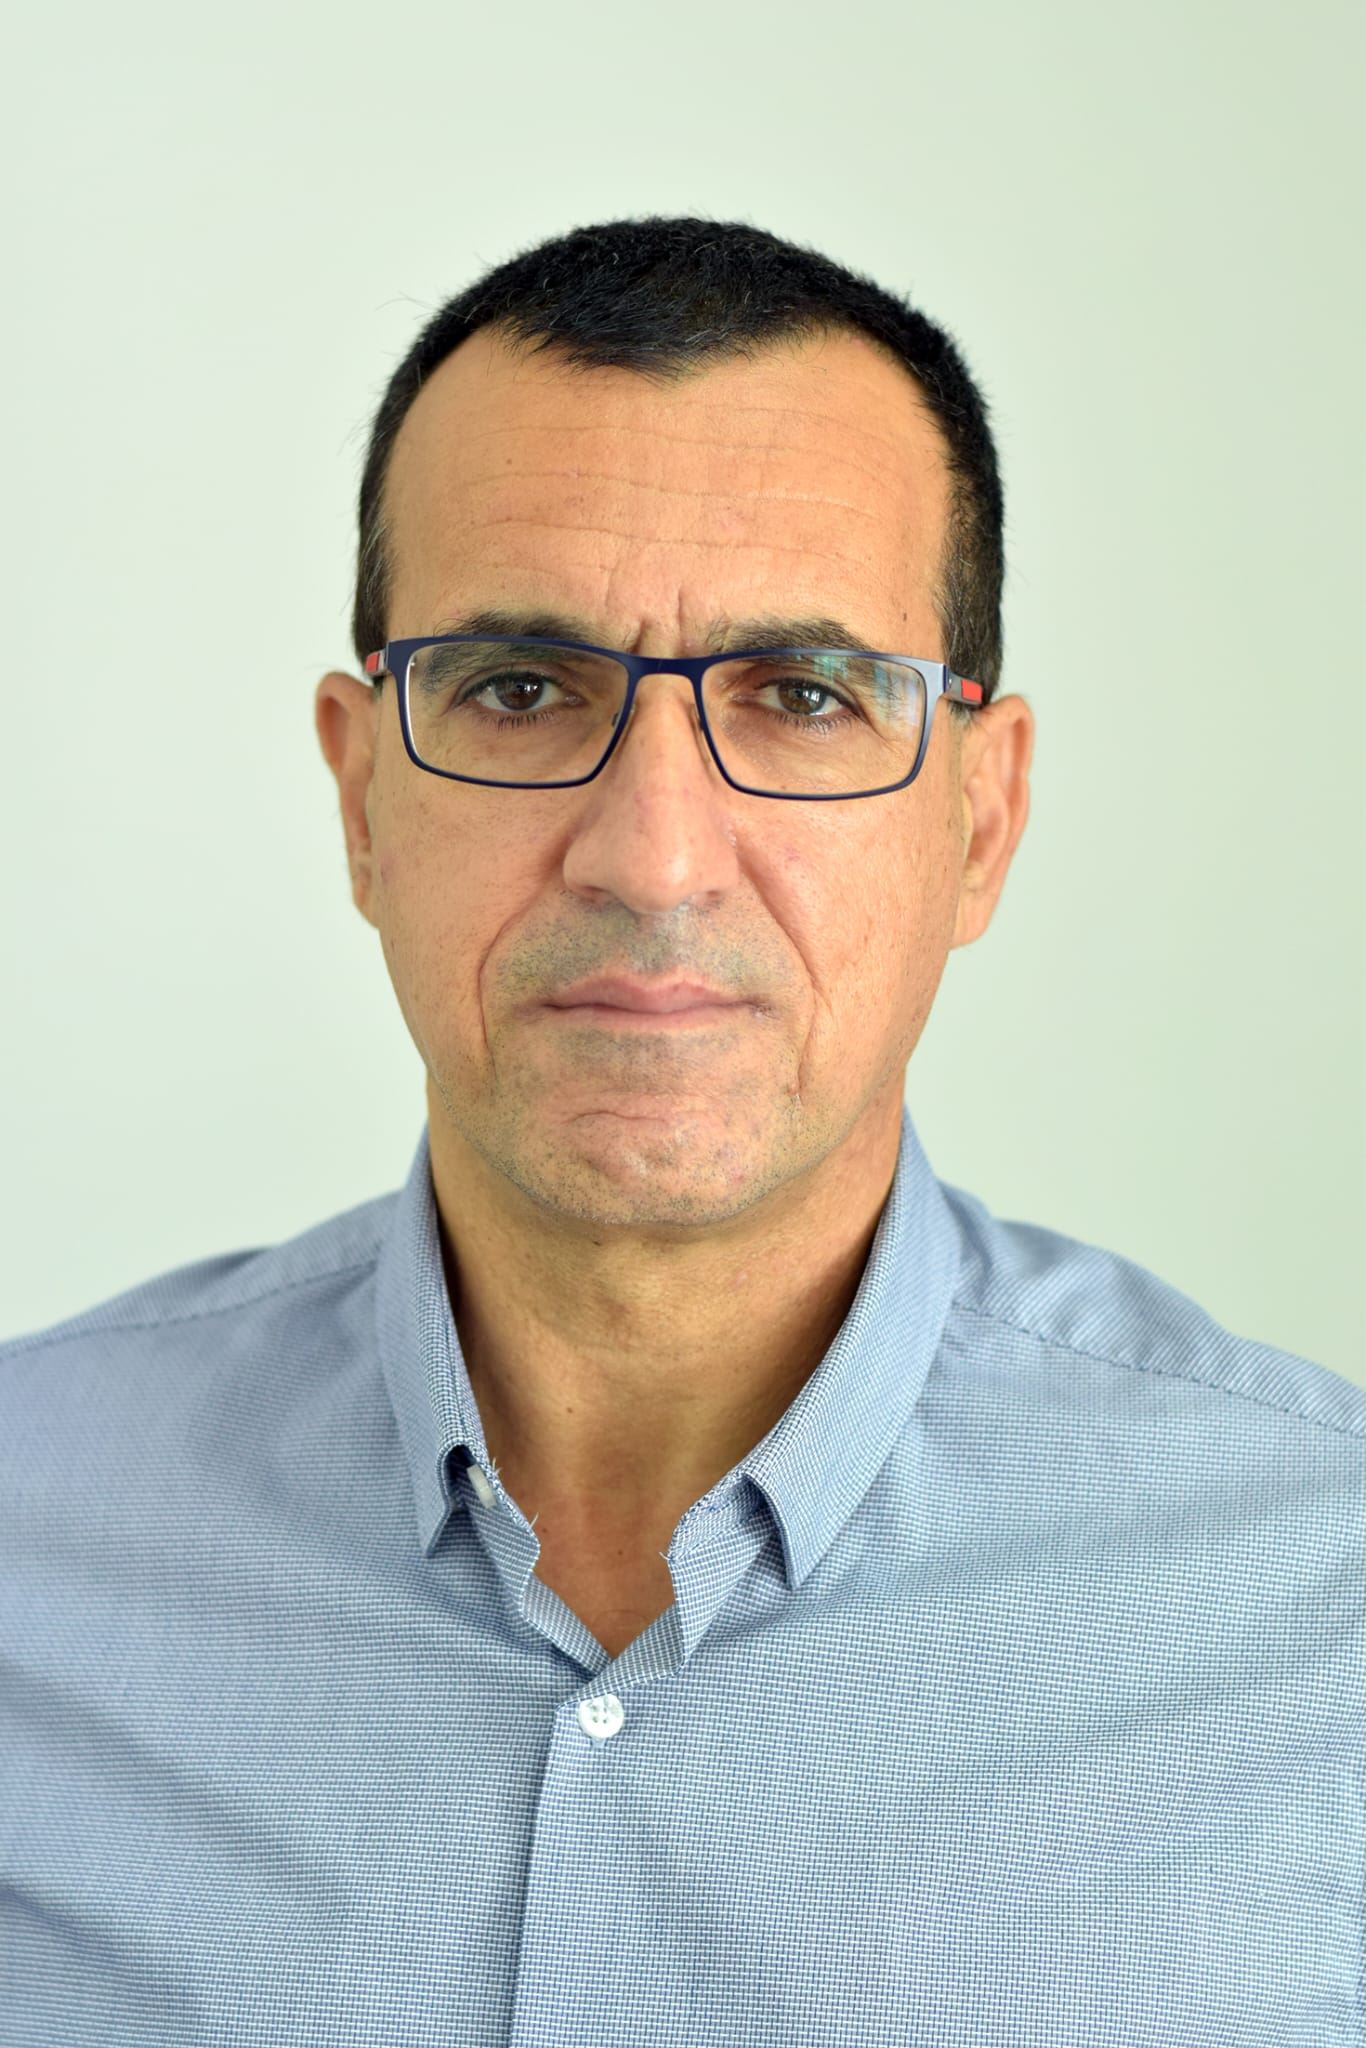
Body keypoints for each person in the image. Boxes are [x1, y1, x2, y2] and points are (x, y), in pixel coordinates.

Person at [3, 216, 1360, 2047]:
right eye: (516, 688)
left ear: (978, 820)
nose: (649, 859)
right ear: (360, 796)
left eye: (800, 698)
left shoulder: (1324, 1607)